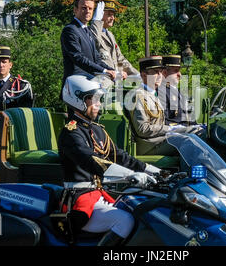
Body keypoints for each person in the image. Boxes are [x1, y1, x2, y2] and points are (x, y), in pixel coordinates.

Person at [58, 75, 161, 246]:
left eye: (99, 99)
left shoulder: (97, 130)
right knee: (125, 221)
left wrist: (152, 170)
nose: (98, 104)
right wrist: (130, 175)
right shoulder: (71, 133)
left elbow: (119, 156)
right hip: (79, 200)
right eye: (93, 99)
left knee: (137, 210)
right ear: (78, 100)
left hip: (98, 196)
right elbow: (91, 160)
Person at [125, 56, 204, 156]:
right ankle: (191, 172)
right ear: (144, 75)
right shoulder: (138, 96)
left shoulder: (153, 94)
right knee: (188, 142)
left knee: (197, 135)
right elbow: (142, 129)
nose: (159, 76)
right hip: (150, 145)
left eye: (161, 72)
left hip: (161, 139)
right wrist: (170, 129)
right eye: (155, 72)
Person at [60, 0, 116, 98]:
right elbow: (78, 58)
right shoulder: (70, 30)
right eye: (84, 8)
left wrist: (112, 71)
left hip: (90, 85)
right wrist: (104, 71)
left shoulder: (87, 31)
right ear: (75, 10)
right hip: (75, 88)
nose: (87, 11)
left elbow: (97, 59)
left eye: (90, 8)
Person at [90, 0, 139, 79]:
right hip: (101, 80)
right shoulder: (91, 32)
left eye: (113, 15)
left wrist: (137, 75)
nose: (112, 18)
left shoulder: (110, 34)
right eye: (109, 14)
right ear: (99, 14)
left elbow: (120, 59)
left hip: (115, 80)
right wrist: (96, 22)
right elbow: (95, 41)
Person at [157, 55, 198, 126]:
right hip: (174, 133)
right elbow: (164, 121)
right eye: (176, 71)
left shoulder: (175, 91)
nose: (180, 74)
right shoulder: (161, 91)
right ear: (164, 73)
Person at [0, 46, 34, 110]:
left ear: (10, 65)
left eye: (4, 62)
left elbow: (26, 111)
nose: (1, 65)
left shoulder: (21, 86)